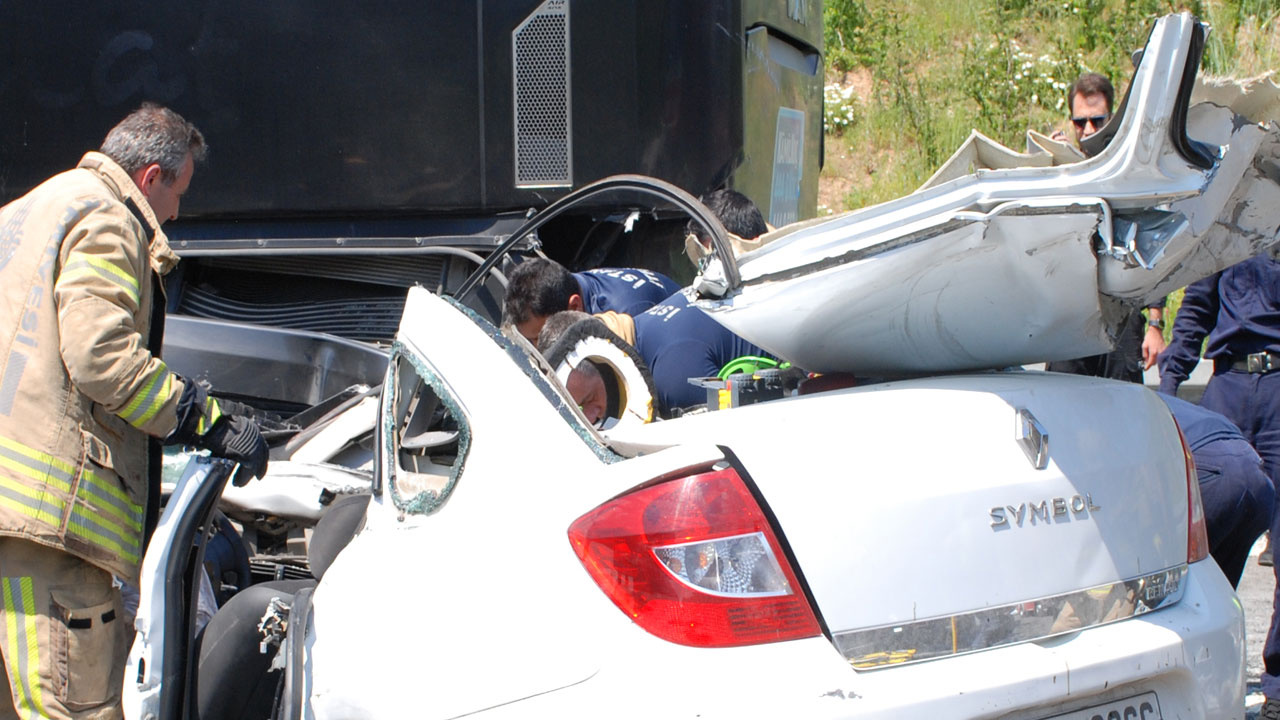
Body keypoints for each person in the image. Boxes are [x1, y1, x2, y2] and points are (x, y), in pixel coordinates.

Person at [0, 104, 268, 720]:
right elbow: (100, 357)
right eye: (179, 192)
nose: (176, 212)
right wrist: (204, 416)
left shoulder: (29, 210)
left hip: (15, 535)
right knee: (74, 706)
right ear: (151, 177)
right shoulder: (107, 219)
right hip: (49, 533)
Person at [1157, 253, 1280, 717]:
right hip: (1227, 386)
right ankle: (1188, 666)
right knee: (1196, 541)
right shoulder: (1238, 222)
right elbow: (1198, 305)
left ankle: (1277, 690)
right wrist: (1167, 390)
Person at [1046, 73, 1166, 381]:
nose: (1088, 130)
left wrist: (1155, 324)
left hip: (1121, 315)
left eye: (1097, 121)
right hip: (1070, 317)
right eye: (1079, 122)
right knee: (1064, 412)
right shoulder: (1058, 171)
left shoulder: (1131, 171)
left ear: (1112, 119)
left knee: (1122, 409)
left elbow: (1154, 243)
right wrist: (1052, 169)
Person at [1157, 394, 1273, 587]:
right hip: (1258, 479)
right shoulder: (1146, 399)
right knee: (1217, 595)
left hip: (1215, 474)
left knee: (1171, 591)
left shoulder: (1121, 412)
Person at [502, 258, 679, 344]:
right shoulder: (565, 284)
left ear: (574, 306)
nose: (537, 349)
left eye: (538, 339)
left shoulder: (625, 315)